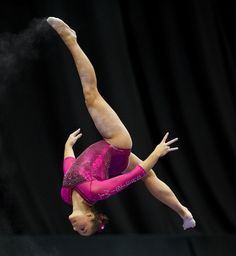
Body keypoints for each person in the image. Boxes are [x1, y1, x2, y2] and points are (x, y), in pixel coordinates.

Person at [47, 17, 196, 236]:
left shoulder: (65, 195)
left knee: (151, 179)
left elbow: (69, 169)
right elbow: (134, 174)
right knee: (91, 97)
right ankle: (71, 39)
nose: (76, 228)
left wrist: (68, 146)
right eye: (83, 228)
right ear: (91, 216)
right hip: (117, 144)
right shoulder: (94, 191)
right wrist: (156, 152)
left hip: (115, 161)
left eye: (79, 231)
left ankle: (185, 214)